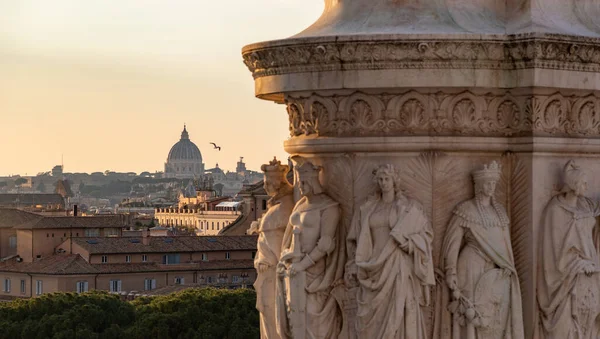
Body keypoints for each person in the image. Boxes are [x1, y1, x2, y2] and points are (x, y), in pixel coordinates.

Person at [345, 164, 435, 338]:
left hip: (397, 264)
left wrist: (410, 245)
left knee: (399, 312)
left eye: (387, 179)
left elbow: (426, 236)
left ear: (394, 181)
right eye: (380, 179)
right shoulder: (368, 208)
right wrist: (354, 262)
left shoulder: (408, 208)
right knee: (368, 318)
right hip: (372, 265)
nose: (383, 183)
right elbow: (355, 238)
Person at [442, 160, 524, 339]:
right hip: (471, 266)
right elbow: (452, 244)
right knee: (472, 316)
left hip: (495, 272)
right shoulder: (465, 209)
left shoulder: (500, 212)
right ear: (478, 185)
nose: (491, 187)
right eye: (487, 183)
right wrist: (451, 272)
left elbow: (505, 247)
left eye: (494, 183)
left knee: (495, 318)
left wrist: (506, 267)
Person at [276, 156, 345, 339]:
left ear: (313, 181)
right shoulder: (300, 205)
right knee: (294, 319)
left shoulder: (329, 207)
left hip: (315, 274)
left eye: (303, 182)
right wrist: (286, 258)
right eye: (299, 182)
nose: (300, 186)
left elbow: (325, 244)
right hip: (293, 270)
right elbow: (288, 238)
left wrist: (303, 264)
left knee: (313, 322)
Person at [538, 160, 600, 339]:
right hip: (567, 278)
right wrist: (578, 264)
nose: (586, 186)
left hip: (590, 274)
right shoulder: (555, 210)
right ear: (573, 185)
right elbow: (554, 251)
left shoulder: (585, 205)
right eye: (583, 183)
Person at [252, 157, 295, 339]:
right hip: (268, 270)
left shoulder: (284, 207)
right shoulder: (277, 206)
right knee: (268, 311)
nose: (264, 187)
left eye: (266, 182)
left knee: (272, 312)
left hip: (275, 270)